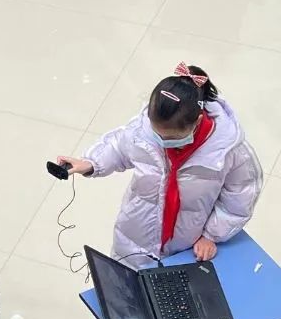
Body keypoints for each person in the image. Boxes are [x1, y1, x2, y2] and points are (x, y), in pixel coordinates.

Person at [55, 62, 263, 267]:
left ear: (198, 122)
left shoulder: (228, 151)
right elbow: (118, 147)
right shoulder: (143, 131)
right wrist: (90, 163)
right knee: (126, 278)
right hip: (135, 236)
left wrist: (211, 235)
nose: (163, 142)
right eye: (157, 134)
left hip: (186, 245)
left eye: (172, 138)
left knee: (169, 285)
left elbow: (239, 197)